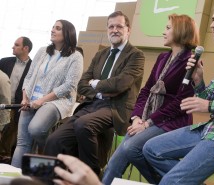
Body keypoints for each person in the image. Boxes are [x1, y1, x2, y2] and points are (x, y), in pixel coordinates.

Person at [143, 1, 214, 184]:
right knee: (151, 149)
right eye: (213, 19)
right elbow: (208, 97)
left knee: (170, 181)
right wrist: (198, 81)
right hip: (211, 129)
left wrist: (210, 106)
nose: (213, 24)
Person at [44, 11, 145, 176]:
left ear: (128, 30)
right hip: (91, 105)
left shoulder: (136, 55)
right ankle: (49, 180)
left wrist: (96, 83)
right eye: (111, 26)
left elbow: (120, 84)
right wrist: (102, 90)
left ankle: (93, 176)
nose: (114, 30)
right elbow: (82, 84)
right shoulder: (101, 54)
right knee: (54, 140)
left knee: (84, 124)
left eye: (119, 26)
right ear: (107, 30)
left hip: (115, 108)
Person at [102, 14, 198, 184]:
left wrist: (148, 123)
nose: (163, 32)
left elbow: (180, 104)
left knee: (131, 148)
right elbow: (146, 90)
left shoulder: (191, 62)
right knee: (115, 162)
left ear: (181, 31)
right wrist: (137, 117)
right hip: (148, 118)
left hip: (171, 121)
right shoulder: (162, 57)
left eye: (168, 28)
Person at [11, 20, 84, 168]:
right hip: (31, 99)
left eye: (57, 28)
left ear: (67, 33)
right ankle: (11, 180)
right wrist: (25, 98)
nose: (53, 30)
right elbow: (29, 76)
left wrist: (42, 100)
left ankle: (52, 147)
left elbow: (70, 85)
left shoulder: (75, 56)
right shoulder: (42, 51)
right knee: (22, 143)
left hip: (57, 100)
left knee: (36, 128)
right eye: (52, 27)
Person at [0, 36, 33, 162]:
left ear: (26, 48)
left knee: (9, 134)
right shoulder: (4, 62)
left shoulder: (34, 67)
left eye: (16, 44)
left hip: (17, 106)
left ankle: (5, 158)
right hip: (2, 102)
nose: (13, 47)